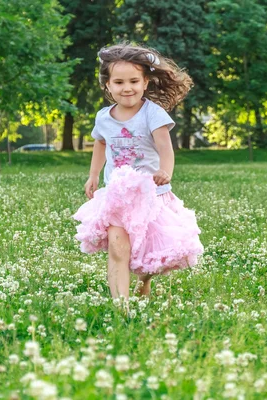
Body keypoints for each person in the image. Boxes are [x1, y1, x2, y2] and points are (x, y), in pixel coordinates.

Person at [72, 43, 204, 311]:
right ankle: (122, 309)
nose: (127, 87)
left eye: (134, 81)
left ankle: (145, 281)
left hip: (150, 194)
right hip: (118, 195)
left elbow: (166, 148)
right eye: (118, 82)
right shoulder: (103, 117)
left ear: (145, 82)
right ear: (107, 85)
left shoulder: (153, 114)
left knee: (149, 252)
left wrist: (165, 171)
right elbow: (100, 144)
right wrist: (93, 174)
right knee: (118, 248)